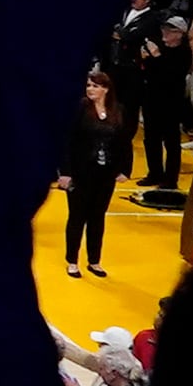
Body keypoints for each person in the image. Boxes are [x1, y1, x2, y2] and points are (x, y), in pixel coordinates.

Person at [59, 63, 127, 280]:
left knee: (98, 217)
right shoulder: (79, 108)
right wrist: (65, 172)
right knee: (77, 217)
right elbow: (67, 142)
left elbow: (124, 142)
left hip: (105, 174)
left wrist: (124, 169)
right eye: (88, 86)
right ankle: (72, 261)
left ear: (106, 89)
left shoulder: (119, 111)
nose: (90, 89)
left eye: (95, 86)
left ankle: (94, 260)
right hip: (81, 172)